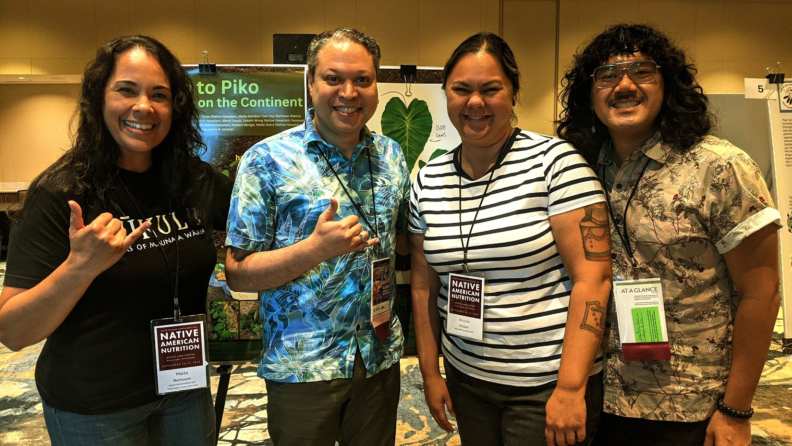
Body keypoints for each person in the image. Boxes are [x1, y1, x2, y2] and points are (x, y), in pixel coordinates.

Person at [557, 23, 782, 446]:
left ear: (669, 85)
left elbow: (762, 294)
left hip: (690, 401)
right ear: (589, 93)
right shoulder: (578, 168)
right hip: (598, 391)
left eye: (642, 71)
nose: (624, 85)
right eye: (607, 75)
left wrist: (736, 409)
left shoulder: (719, 167)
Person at [0, 36, 231, 445]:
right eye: (126, 90)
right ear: (99, 99)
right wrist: (80, 267)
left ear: (175, 107)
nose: (144, 106)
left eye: (159, 94)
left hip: (183, 387)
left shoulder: (195, 180)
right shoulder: (62, 192)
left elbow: (265, 219)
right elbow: (12, 332)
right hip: (95, 406)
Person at [409, 32, 612, 446]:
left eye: (491, 89)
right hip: (467, 377)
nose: (475, 103)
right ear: (446, 93)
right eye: (461, 89)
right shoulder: (428, 179)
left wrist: (571, 388)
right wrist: (431, 373)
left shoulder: (556, 164)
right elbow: (422, 284)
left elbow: (593, 279)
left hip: (545, 384)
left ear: (514, 91)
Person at [224, 28, 410, 446]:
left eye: (362, 79)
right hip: (303, 367)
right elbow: (238, 273)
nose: (349, 92)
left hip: (378, 358)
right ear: (310, 82)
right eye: (333, 79)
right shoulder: (266, 160)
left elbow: (402, 243)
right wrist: (314, 250)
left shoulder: (392, 156)